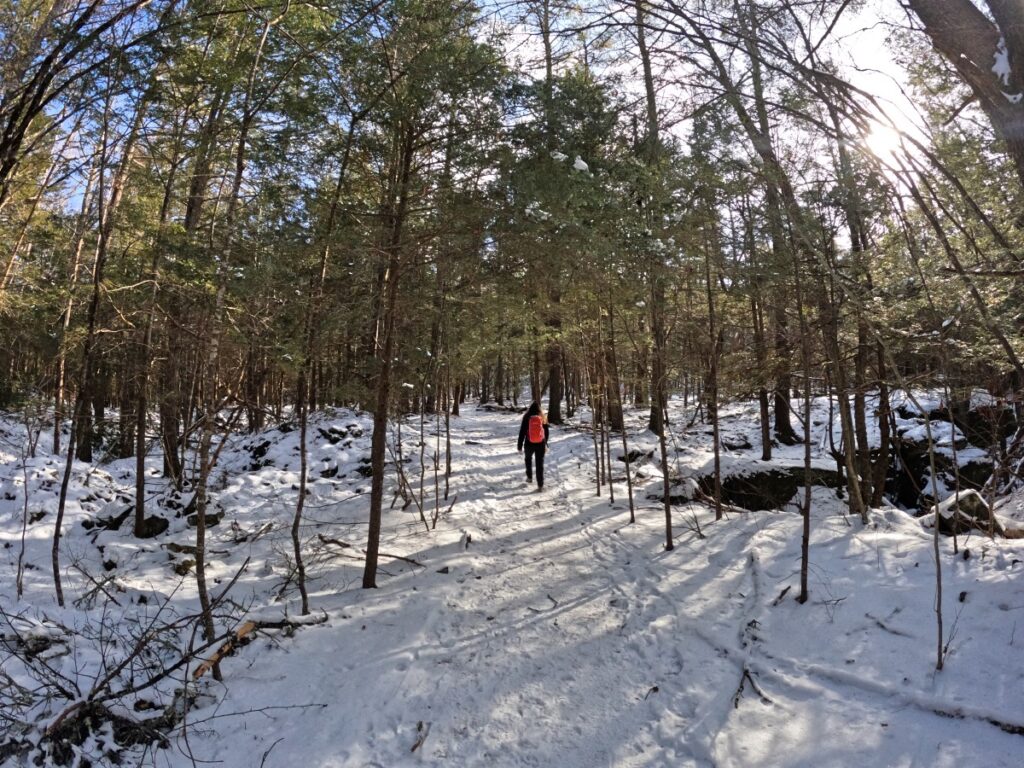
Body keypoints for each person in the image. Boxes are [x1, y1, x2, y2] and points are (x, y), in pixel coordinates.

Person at [517, 401, 549, 490]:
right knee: (540, 463)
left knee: (528, 459)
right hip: (540, 443)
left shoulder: (526, 417)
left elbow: (522, 432)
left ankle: (529, 477)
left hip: (528, 443)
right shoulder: (542, 417)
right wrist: (545, 443)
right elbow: (546, 432)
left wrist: (519, 446)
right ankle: (540, 485)